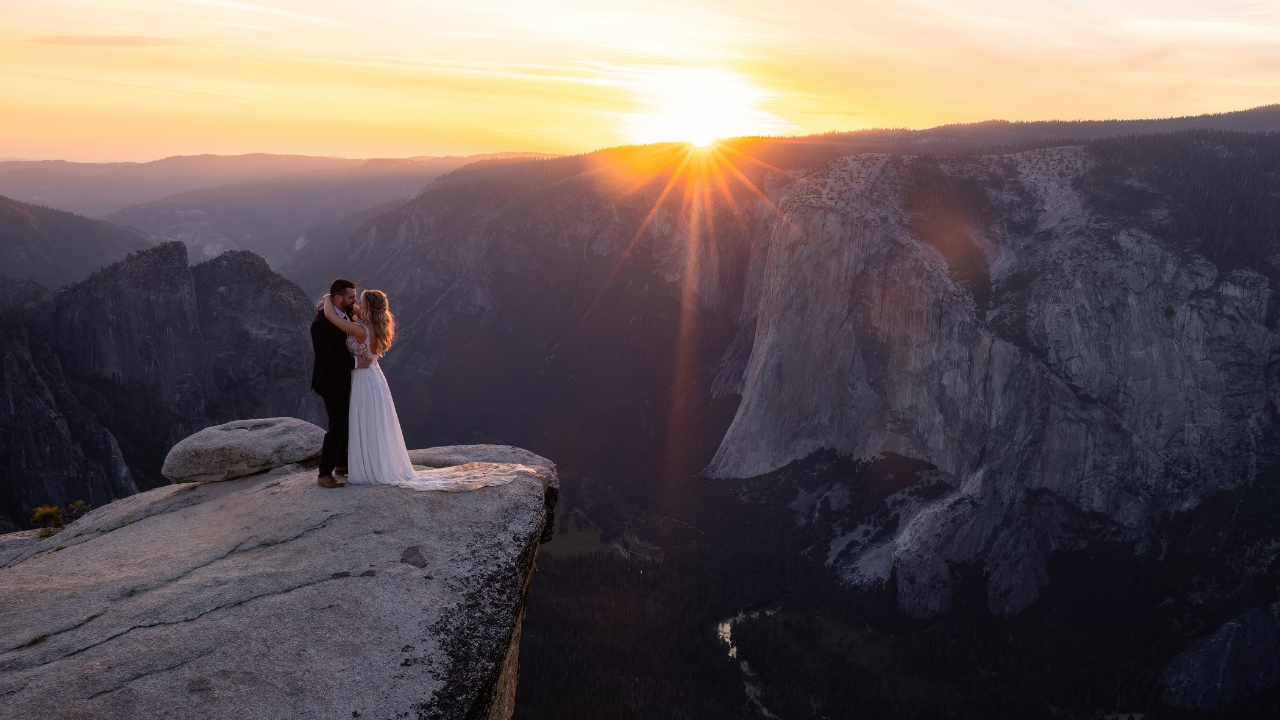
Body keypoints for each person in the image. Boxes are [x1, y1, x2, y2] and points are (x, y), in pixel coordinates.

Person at [319, 288, 519, 492]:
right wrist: (345, 304)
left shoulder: (361, 331)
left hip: (363, 378)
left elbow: (329, 315)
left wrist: (328, 298)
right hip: (374, 378)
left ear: (368, 308)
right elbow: (357, 312)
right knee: (373, 421)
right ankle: (370, 463)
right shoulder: (377, 325)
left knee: (364, 420)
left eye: (361, 302)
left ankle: (363, 465)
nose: (357, 305)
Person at [310, 279, 371, 489]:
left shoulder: (346, 314)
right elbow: (325, 358)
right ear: (338, 298)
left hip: (347, 379)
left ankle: (342, 464)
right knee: (338, 425)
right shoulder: (320, 325)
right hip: (331, 382)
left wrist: (326, 299)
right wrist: (355, 362)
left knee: (347, 421)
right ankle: (324, 474)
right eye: (351, 297)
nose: (356, 301)